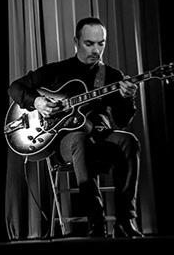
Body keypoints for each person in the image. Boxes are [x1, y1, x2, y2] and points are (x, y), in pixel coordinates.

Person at [8, 17, 143, 238]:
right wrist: (38, 102)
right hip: (65, 142)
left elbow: (122, 120)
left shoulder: (112, 77)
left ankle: (125, 221)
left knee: (129, 141)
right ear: (76, 42)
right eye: (89, 43)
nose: (96, 50)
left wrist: (127, 98)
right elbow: (15, 87)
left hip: (98, 136)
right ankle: (96, 222)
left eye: (101, 43)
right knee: (80, 138)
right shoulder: (57, 70)